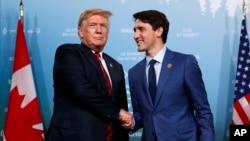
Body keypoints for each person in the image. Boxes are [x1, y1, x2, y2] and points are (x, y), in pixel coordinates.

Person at [46, 8, 133, 141]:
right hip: (74, 136)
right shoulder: (68, 52)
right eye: (93, 25)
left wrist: (124, 121)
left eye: (103, 26)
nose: (99, 30)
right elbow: (80, 89)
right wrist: (118, 112)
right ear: (80, 32)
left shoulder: (116, 66)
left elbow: (121, 106)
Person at [127, 10, 215, 141]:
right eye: (135, 30)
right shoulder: (134, 72)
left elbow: (203, 111)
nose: (136, 35)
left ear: (158, 31)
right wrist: (131, 121)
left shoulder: (185, 63)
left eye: (141, 29)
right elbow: (141, 114)